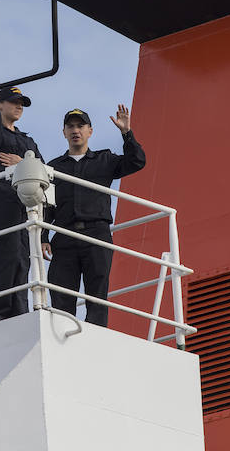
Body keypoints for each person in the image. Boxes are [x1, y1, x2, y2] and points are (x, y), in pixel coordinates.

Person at [42, 105, 146, 326]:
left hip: (96, 234)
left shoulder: (105, 159)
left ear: (90, 131)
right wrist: (43, 237)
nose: (75, 130)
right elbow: (47, 207)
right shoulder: (53, 168)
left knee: (97, 292)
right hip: (64, 236)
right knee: (61, 293)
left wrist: (126, 133)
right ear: (64, 132)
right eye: (70, 126)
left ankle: (95, 336)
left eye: (80, 126)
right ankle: (61, 335)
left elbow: (137, 161)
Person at [0, 78, 42, 324]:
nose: (19, 106)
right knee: (6, 256)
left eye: (22, 103)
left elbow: (41, 168)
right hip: (1, 198)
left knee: (23, 258)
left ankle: (19, 314)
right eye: (13, 102)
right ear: (1, 105)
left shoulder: (28, 142)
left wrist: (21, 163)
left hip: (25, 202)